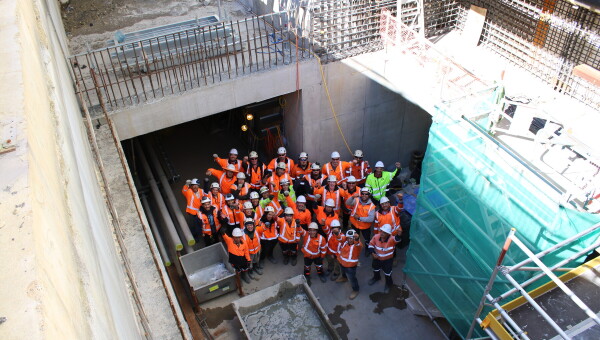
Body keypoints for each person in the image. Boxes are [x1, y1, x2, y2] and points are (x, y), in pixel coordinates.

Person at [367, 224, 401, 293]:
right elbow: (371, 245)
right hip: (377, 259)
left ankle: (389, 284)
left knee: (388, 273)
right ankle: (376, 278)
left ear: (388, 234)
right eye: (381, 231)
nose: (382, 233)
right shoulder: (376, 237)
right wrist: (373, 253)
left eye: (384, 232)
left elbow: (397, 239)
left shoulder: (392, 239)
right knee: (375, 269)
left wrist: (399, 234)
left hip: (387, 261)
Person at [346, 187, 376, 254]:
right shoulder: (356, 200)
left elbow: (371, 219)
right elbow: (347, 203)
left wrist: (359, 218)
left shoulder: (372, 206)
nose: (364, 195)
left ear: (369, 195)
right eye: (363, 194)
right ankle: (354, 248)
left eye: (366, 194)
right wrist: (352, 197)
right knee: (354, 237)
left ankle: (367, 249)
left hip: (365, 227)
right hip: (355, 225)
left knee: (366, 239)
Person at [336, 229, 362, 300]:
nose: (350, 240)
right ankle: (344, 278)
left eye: (352, 238)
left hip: (351, 267)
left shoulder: (357, 246)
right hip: (342, 263)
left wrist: (357, 238)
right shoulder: (345, 242)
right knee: (343, 272)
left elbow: (358, 244)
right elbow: (340, 238)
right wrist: (336, 233)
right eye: (348, 238)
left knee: (352, 279)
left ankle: (356, 290)